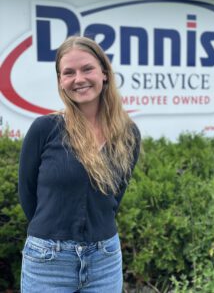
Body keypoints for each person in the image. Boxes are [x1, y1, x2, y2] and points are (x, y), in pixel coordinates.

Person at [18, 35, 141, 293]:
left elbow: (114, 198)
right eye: (68, 72)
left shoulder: (128, 134)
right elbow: (27, 194)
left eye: (87, 69)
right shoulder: (45, 129)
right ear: (61, 82)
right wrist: (54, 237)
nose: (79, 79)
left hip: (105, 258)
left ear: (104, 73)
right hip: (47, 261)